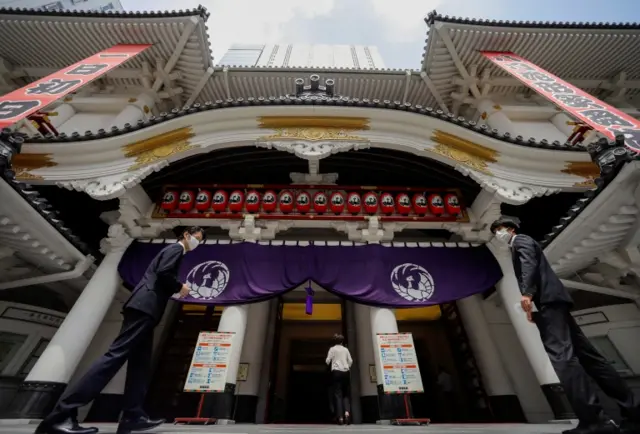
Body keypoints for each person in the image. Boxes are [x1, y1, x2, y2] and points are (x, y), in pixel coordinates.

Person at [36, 226, 205, 434]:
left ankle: (133, 415)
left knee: (140, 365)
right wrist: (181, 288)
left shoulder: (173, 250)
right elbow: (164, 274)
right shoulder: (176, 249)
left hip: (147, 309)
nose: (199, 243)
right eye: (198, 238)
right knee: (115, 356)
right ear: (187, 235)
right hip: (145, 307)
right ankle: (60, 415)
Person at [490, 218, 640, 434]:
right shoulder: (521, 243)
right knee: (590, 358)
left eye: (499, 229)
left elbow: (528, 265)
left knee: (562, 358)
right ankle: (633, 412)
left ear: (510, 229)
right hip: (553, 301)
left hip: (547, 301)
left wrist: (527, 294)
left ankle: (595, 420)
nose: (497, 233)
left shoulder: (521, 241)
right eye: (495, 231)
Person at [326, 333, 353, 425]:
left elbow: (327, 361)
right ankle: (347, 413)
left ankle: (340, 417)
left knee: (338, 394)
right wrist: (347, 367)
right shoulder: (345, 349)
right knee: (346, 394)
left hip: (336, 372)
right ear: (342, 341)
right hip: (345, 372)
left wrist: (333, 362)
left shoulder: (332, 349)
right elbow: (351, 361)